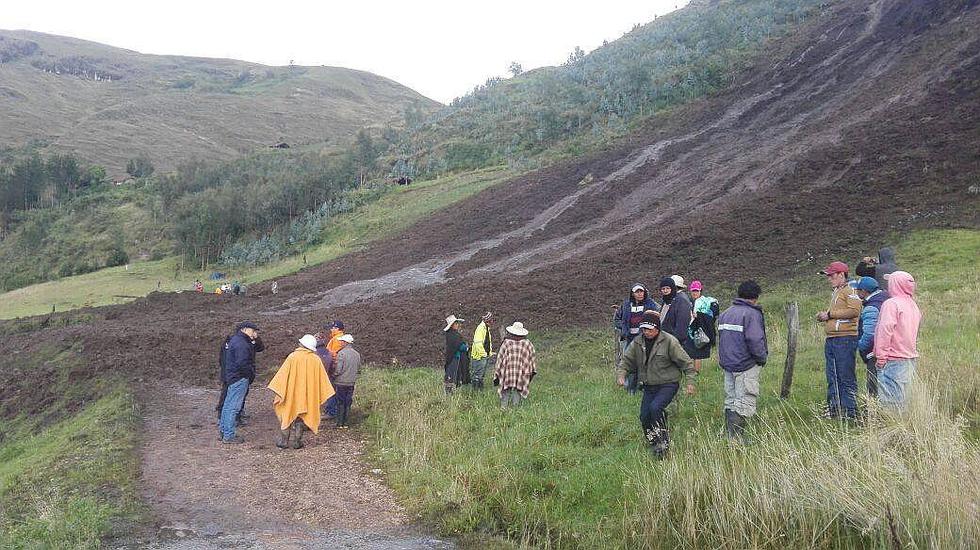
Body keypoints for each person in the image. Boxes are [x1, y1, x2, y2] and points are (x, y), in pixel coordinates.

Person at [617, 311, 697, 458]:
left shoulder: (669, 341)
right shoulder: (638, 342)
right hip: (649, 385)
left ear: (657, 328)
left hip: (668, 384)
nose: (646, 332)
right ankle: (653, 441)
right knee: (644, 416)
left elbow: (687, 363)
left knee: (655, 408)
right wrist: (621, 375)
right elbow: (626, 361)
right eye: (644, 329)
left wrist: (691, 382)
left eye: (649, 329)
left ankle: (663, 444)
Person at [717, 281, 768, 441]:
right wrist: (761, 358)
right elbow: (755, 340)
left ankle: (730, 436)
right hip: (746, 364)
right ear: (755, 297)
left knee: (730, 399)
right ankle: (737, 438)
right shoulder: (751, 314)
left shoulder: (726, 313)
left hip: (728, 364)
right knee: (745, 399)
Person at [268, 335, 334, 449]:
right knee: (301, 417)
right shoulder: (315, 359)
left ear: (302, 344)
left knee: (287, 414)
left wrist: (279, 391)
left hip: (290, 393)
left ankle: (284, 441)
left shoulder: (292, 357)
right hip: (307, 395)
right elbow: (322, 380)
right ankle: (297, 442)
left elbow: (282, 376)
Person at [816, 261, 862, 419]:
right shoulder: (837, 291)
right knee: (833, 375)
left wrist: (829, 315)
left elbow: (854, 310)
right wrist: (825, 316)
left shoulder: (850, 290)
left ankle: (850, 411)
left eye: (832, 275)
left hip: (845, 339)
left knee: (845, 375)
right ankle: (835, 409)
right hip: (833, 339)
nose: (829, 278)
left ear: (842, 274)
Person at [874, 271, 921, 409]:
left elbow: (885, 331)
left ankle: (893, 429)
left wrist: (881, 358)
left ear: (895, 284)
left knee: (890, 404)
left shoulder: (891, 304)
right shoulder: (913, 305)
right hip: (909, 358)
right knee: (904, 400)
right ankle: (906, 428)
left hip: (893, 359)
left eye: (890, 282)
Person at [217, 321, 264, 444]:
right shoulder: (242, 344)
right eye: (253, 330)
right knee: (233, 407)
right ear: (244, 329)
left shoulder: (236, 340)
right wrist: (250, 374)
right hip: (239, 378)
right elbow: (242, 363)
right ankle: (229, 435)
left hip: (232, 377)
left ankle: (224, 431)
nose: (255, 333)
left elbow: (259, 348)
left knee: (227, 405)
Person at [616, 283, 660, 394]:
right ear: (632, 293)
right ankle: (630, 388)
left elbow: (657, 318)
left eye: (641, 291)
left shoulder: (651, 304)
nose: (639, 294)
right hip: (629, 338)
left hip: (645, 338)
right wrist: (624, 328)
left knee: (646, 362)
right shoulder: (626, 304)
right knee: (629, 362)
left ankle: (646, 386)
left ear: (645, 292)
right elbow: (617, 318)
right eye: (637, 292)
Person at [853, 276, 889, 398]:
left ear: (864, 291)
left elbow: (870, 334)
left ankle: (874, 414)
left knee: (874, 388)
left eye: (858, 290)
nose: (856, 292)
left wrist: (860, 346)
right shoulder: (885, 299)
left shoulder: (871, 307)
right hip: (888, 350)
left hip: (874, 354)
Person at [493, 322, 537, 408]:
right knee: (518, 388)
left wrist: (498, 371)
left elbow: (500, 358)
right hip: (521, 373)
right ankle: (515, 409)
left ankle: (503, 408)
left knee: (506, 389)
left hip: (507, 372)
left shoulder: (506, 342)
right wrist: (530, 371)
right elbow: (532, 358)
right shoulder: (527, 343)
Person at [687, 280, 720, 373]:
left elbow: (712, 316)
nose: (695, 293)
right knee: (688, 352)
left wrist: (699, 315)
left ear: (700, 290)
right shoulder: (688, 302)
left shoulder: (707, 302)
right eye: (693, 291)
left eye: (697, 290)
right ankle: (689, 372)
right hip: (690, 330)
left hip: (701, 331)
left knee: (697, 354)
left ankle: (696, 373)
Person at [331, 334, 361, 428]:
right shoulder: (357, 354)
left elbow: (338, 370)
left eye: (341, 341)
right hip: (351, 382)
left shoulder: (341, 354)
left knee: (340, 402)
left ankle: (340, 423)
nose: (340, 343)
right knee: (348, 402)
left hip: (341, 382)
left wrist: (333, 375)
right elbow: (359, 369)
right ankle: (346, 423)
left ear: (345, 343)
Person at [659, 276, 693, 353]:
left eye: (668, 288)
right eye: (663, 289)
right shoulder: (667, 300)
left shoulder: (681, 300)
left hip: (674, 343)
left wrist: (675, 342)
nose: (665, 291)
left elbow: (682, 326)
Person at [322, 321, 345, 417]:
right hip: (337, 367)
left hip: (333, 367)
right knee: (335, 390)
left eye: (332, 328)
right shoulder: (340, 338)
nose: (331, 329)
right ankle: (333, 410)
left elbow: (333, 354)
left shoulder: (336, 339)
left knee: (331, 389)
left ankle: (331, 411)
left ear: (337, 328)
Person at [443, 315, 469, 395]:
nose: (458, 324)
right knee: (452, 375)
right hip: (454, 358)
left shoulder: (453, 334)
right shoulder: (452, 335)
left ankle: (452, 394)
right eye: (456, 323)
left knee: (453, 375)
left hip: (455, 358)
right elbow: (460, 346)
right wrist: (466, 347)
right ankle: (449, 394)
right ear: (452, 325)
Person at [470, 312, 496, 390]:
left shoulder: (486, 328)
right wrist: (484, 354)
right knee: (477, 375)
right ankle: (475, 391)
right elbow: (478, 343)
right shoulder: (480, 328)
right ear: (488, 321)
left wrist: (490, 353)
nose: (492, 322)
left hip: (484, 355)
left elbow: (487, 342)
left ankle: (480, 391)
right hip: (479, 356)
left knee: (481, 375)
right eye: (491, 321)